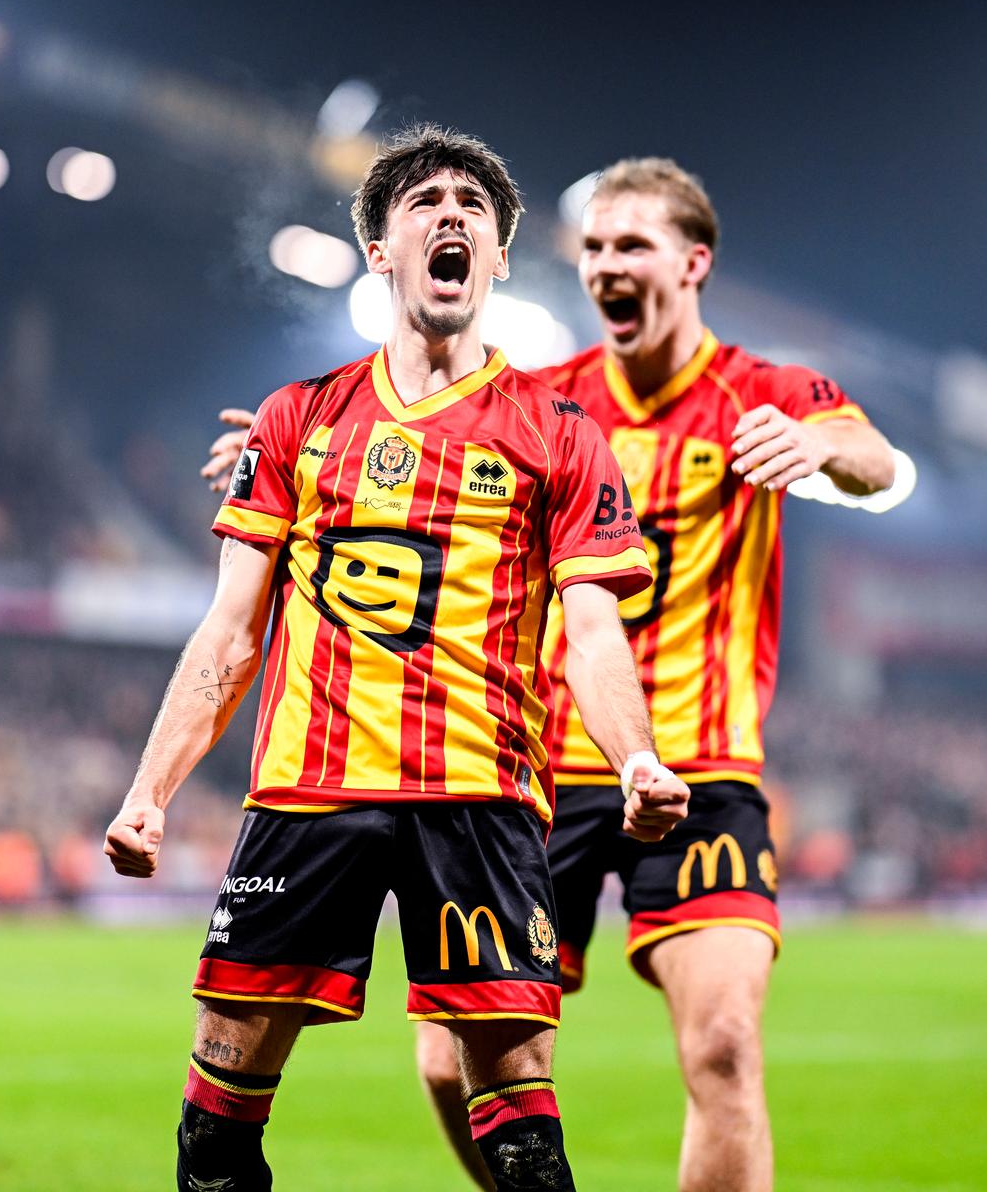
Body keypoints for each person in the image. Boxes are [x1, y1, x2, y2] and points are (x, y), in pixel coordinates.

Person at [204, 157, 895, 1191]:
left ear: (693, 262)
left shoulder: (761, 391)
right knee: (449, 1061)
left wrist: (816, 443)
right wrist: (294, 456)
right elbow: (402, 447)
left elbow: (874, 456)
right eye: (595, 250)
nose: (607, 267)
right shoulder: (548, 402)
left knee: (722, 1045)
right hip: (537, 774)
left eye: (632, 246)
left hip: (701, 765)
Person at [107, 125, 691, 1192]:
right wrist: (150, 790)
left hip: (480, 799)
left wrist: (635, 758)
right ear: (380, 246)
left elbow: (594, 626)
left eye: (476, 205)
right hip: (310, 790)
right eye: (426, 202)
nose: (453, 214)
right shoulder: (299, 418)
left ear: (502, 258)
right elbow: (232, 628)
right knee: (215, 1131)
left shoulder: (558, 432)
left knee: (522, 1141)